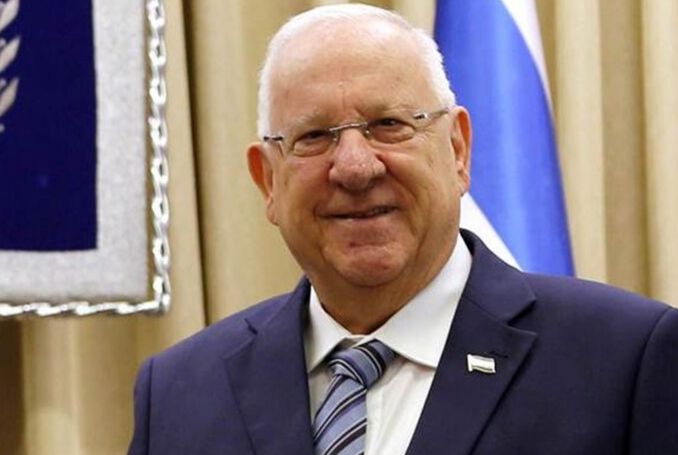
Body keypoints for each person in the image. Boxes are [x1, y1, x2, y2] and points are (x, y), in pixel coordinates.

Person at [128, 4, 678, 454]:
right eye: (314, 136)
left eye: (388, 125)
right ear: (267, 180)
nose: (354, 167)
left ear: (457, 149)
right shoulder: (179, 394)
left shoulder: (624, 363)